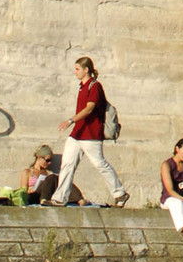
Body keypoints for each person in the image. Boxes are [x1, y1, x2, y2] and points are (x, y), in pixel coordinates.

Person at [52, 56, 127, 210]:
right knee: (67, 164)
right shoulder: (82, 86)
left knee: (99, 164)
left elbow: (89, 108)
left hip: (91, 135)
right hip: (77, 134)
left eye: (77, 69)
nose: (75, 72)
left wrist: (70, 120)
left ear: (86, 70)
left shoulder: (95, 86)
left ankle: (120, 193)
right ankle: (60, 198)